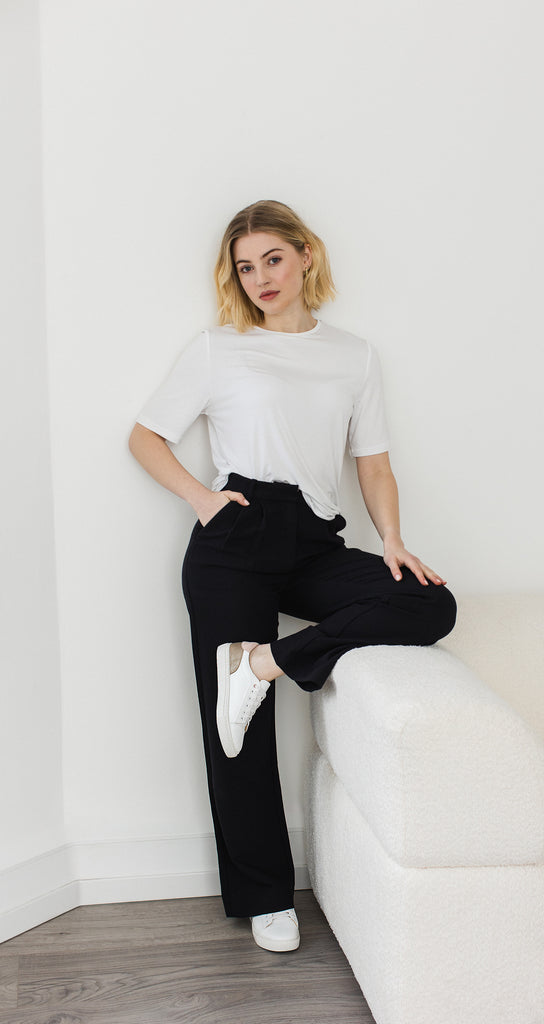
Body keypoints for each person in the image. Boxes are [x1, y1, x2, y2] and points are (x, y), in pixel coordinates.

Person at [128, 200, 457, 953]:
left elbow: (371, 460)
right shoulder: (218, 348)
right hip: (235, 536)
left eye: (272, 259)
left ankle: (267, 662)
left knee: (428, 608)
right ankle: (266, 895)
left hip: (314, 539)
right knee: (235, 732)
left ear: (305, 255)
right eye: (245, 267)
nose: (259, 278)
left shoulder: (353, 355)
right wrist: (205, 501)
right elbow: (145, 437)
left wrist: (394, 541)